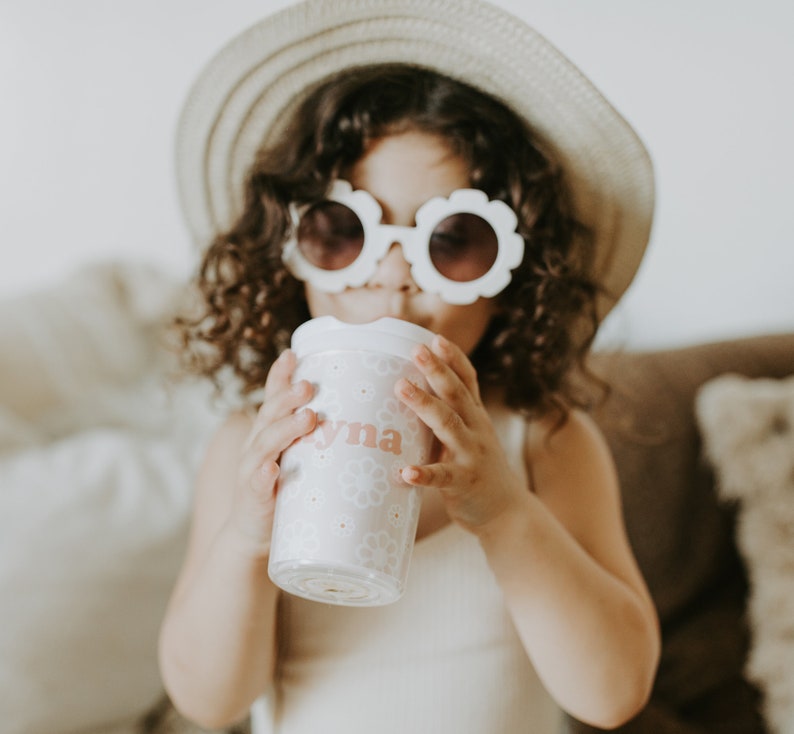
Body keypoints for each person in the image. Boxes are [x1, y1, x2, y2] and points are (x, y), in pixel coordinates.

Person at [159, 1, 660, 732]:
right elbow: (208, 701)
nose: (394, 277)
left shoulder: (545, 441)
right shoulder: (251, 445)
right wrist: (246, 533)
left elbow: (613, 694)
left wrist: (505, 511)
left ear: (513, 281)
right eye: (343, 233)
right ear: (293, 255)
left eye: (452, 241)